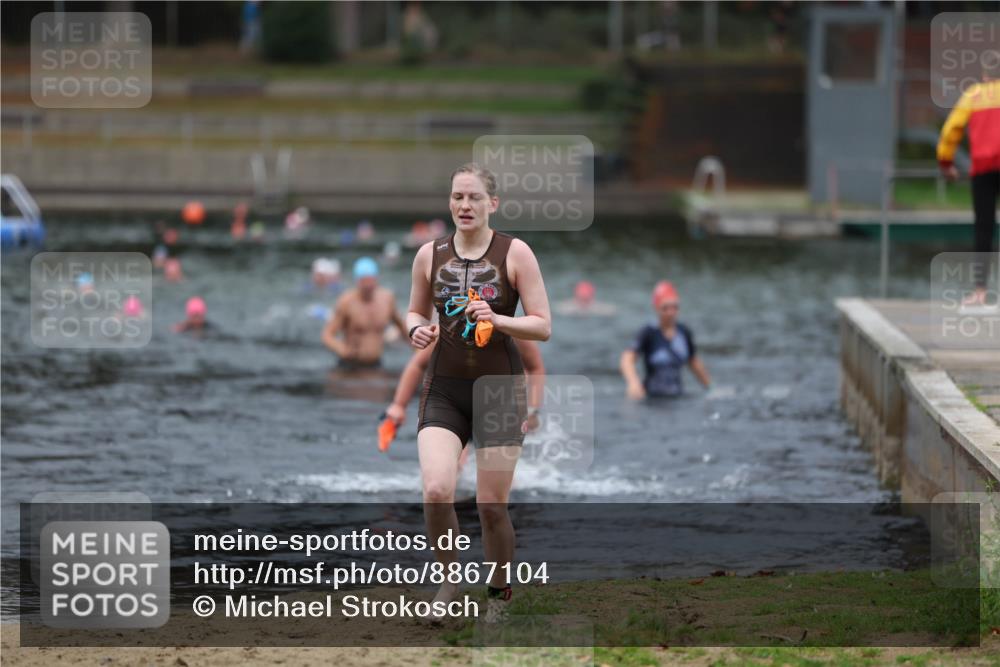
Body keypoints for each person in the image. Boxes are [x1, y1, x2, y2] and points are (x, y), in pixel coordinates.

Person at [406, 163, 551, 622]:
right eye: (457, 197)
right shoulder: (429, 254)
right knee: (436, 490)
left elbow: (543, 326)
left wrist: (498, 318)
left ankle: (499, 592)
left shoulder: (516, 252)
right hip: (444, 390)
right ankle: (449, 581)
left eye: (473, 197)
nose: (464, 205)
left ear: (493, 203)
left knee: (491, 507)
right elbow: (413, 312)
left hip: (500, 392)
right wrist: (415, 330)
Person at [382, 337, 546, 447]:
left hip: (499, 406)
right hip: (456, 404)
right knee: (453, 468)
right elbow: (418, 364)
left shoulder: (514, 331)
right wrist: (399, 405)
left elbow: (535, 368)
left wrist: (532, 410)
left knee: (500, 473)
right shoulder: (450, 328)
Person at [938, 59, 1000, 308]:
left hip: (983, 169)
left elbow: (951, 130)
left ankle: (980, 292)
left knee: (983, 228)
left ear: (984, 74)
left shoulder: (973, 95)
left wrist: (946, 162)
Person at [620, 281, 710, 399]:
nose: (670, 312)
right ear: (656, 307)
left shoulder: (684, 332)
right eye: (665, 308)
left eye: (674, 307)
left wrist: (709, 387)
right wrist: (633, 383)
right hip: (652, 398)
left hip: (677, 396)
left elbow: (693, 362)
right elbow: (627, 359)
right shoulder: (649, 332)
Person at [322, 257, 407, 368]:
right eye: (364, 282)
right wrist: (342, 349)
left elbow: (402, 327)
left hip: (376, 363)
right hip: (350, 364)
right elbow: (327, 335)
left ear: (376, 279)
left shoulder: (387, 300)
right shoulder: (347, 302)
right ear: (357, 281)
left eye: (370, 281)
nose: (367, 285)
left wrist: (418, 349)